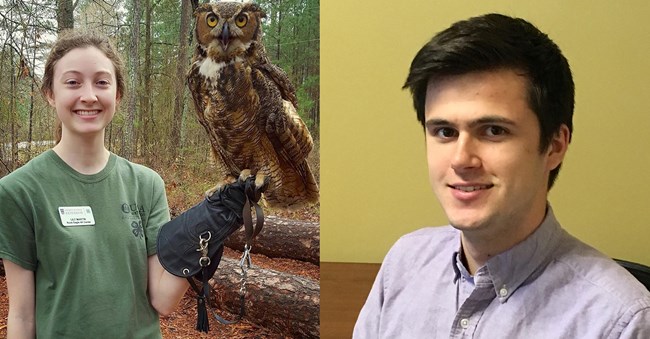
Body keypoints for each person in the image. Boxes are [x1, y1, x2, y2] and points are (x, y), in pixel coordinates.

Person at [353, 13, 650, 338]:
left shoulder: (622, 321)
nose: (461, 159)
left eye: (493, 130)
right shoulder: (404, 264)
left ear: (554, 145)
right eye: (444, 131)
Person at [0, 29, 190, 338]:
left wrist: (200, 240)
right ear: (51, 93)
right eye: (73, 82)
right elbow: (21, 315)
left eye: (102, 82)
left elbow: (163, 299)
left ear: (117, 94)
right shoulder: (18, 191)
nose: (89, 95)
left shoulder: (147, 185)